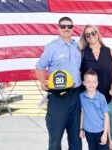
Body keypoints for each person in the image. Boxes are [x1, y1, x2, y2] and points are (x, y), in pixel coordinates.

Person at [35, 17, 82, 150]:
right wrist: (42, 82)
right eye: (63, 26)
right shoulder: (52, 47)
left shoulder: (77, 47)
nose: (66, 29)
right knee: (55, 137)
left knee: (76, 137)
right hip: (58, 98)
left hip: (77, 95)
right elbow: (39, 67)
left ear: (73, 28)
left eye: (69, 26)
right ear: (58, 28)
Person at [80, 25, 112, 103]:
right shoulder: (82, 53)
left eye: (93, 33)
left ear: (98, 33)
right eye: (87, 35)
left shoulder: (109, 51)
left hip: (108, 98)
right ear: (85, 37)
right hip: (89, 100)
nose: (91, 36)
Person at [79, 68, 109, 150]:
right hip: (88, 132)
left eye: (94, 82)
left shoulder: (101, 97)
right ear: (84, 83)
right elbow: (82, 112)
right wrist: (81, 129)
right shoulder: (81, 96)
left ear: (97, 83)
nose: (91, 84)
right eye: (88, 82)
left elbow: (106, 116)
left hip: (101, 131)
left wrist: (105, 134)